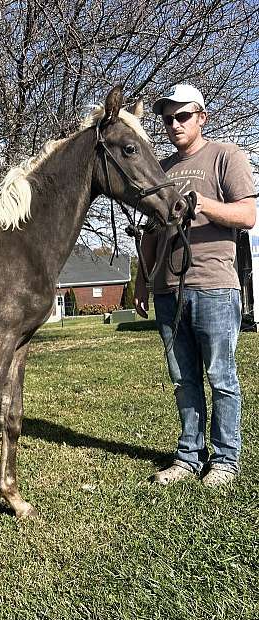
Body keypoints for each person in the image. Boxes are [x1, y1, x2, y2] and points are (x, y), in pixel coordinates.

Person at [134, 84, 257, 487]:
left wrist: (203, 205)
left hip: (215, 286)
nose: (174, 124)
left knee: (221, 377)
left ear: (201, 116)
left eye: (182, 115)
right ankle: (189, 456)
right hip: (169, 290)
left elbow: (248, 214)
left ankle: (225, 460)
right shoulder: (160, 168)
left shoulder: (226, 156)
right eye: (167, 118)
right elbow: (151, 232)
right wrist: (143, 280)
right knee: (183, 378)